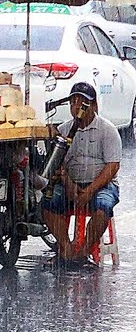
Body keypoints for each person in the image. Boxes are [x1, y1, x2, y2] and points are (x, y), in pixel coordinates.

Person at [42, 82, 121, 268]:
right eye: (73, 102)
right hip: (72, 182)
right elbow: (59, 165)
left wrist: (89, 191)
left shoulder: (107, 130)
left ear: (94, 106)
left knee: (103, 206)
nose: (77, 107)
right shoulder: (64, 130)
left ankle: (84, 251)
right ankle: (67, 249)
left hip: (100, 184)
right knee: (47, 202)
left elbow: (112, 166)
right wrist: (70, 186)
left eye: (83, 102)